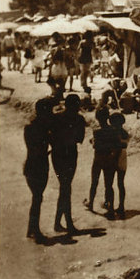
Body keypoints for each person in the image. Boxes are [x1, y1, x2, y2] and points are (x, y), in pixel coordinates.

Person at [50, 93, 85, 234]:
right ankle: (67, 223)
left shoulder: (57, 118)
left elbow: (51, 137)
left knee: (64, 188)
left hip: (58, 154)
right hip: (70, 154)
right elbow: (80, 138)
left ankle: (59, 222)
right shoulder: (79, 120)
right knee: (66, 188)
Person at [23, 97, 56, 242]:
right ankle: (35, 231)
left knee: (36, 197)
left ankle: (32, 228)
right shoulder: (43, 129)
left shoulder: (29, 128)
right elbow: (41, 148)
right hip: (39, 165)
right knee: (37, 198)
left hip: (30, 166)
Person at [86, 106, 120, 218]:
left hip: (98, 159)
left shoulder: (97, 132)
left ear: (97, 118)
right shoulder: (113, 131)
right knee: (109, 185)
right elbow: (116, 146)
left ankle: (90, 203)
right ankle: (110, 207)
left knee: (94, 183)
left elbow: (95, 146)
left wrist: (92, 142)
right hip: (109, 160)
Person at [109, 112, 130, 219]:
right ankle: (121, 206)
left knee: (110, 184)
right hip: (122, 158)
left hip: (113, 158)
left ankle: (111, 207)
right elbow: (125, 144)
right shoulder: (125, 133)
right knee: (120, 184)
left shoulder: (112, 133)